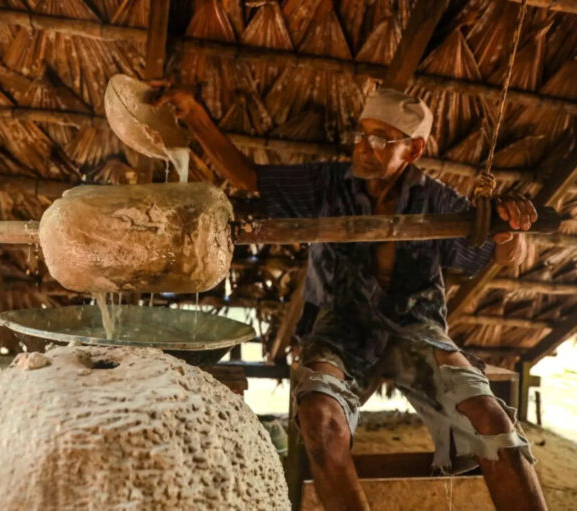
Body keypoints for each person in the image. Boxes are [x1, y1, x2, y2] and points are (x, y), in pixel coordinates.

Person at [157, 87, 547, 511]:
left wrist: (512, 229)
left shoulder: (437, 200)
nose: (364, 148)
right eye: (361, 135)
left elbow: (500, 254)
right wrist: (195, 113)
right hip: (338, 329)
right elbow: (248, 177)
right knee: (319, 422)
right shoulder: (327, 184)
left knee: (494, 422)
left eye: (381, 139)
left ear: (413, 149)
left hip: (418, 332)